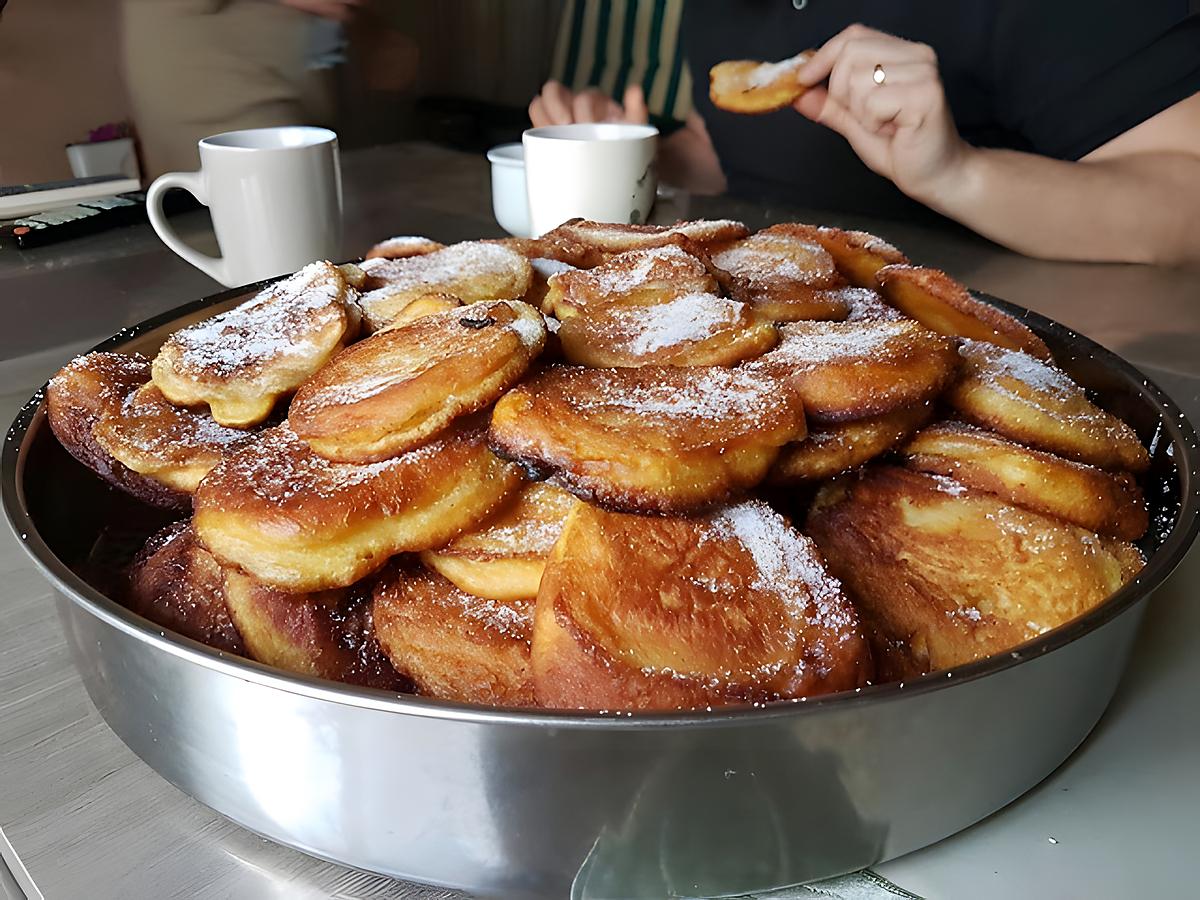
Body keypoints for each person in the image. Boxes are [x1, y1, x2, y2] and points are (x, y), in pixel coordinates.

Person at [529, 1, 1200, 265]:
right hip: (779, 334)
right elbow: (733, 147)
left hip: (1019, 359)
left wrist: (958, 173)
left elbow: (1187, 197)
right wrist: (637, 152)